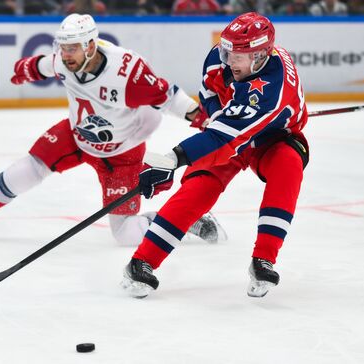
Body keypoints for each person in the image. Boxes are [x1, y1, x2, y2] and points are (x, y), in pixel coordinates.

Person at [0, 14, 226, 248]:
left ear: (90, 46)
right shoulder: (64, 60)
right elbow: (41, 65)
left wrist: (202, 118)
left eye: (73, 48)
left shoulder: (127, 73)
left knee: (125, 235)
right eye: (63, 47)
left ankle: (190, 220)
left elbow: (169, 96)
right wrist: (25, 70)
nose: (66, 54)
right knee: (30, 167)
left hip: (121, 154)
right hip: (76, 136)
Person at [122, 12, 309, 298]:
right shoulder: (220, 58)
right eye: (227, 52)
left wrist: (172, 159)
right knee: (199, 187)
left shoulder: (272, 88)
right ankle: (142, 262)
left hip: (272, 138)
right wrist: (215, 114)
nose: (229, 60)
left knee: (289, 167)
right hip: (230, 131)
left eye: (239, 56)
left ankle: (264, 259)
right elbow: (208, 94)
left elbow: (222, 138)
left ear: (260, 56)